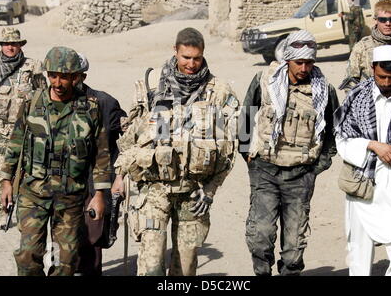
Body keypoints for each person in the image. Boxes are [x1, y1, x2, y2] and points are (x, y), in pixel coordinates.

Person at [113, 27, 239, 276]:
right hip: (154, 191)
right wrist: (120, 177)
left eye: (197, 58)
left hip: (192, 194)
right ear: (175, 51)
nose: (191, 64)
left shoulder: (219, 92)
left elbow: (229, 152)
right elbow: (131, 138)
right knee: (151, 266)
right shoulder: (150, 87)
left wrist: (210, 192)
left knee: (186, 267)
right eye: (186, 57)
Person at [0, 46, 112, 276]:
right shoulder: (32, 103)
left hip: (71, 198)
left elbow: (101, 155)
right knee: (28, 256)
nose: (58, 82)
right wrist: (6, 180)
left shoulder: (90, 109)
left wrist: (100, 195)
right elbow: (15, 143)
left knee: (67, 261)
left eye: (64, 77)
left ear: (75, 77)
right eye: (53, 76)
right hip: (34, 194)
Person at [239, 30, 339, 276]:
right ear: (287, 60)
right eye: (299, 62)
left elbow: (334, 133)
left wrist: (317, 167)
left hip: (301, 174)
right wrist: (249, 157)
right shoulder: (265, 80)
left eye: (309, 62)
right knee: (261, 236)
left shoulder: (324, 90)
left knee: (294, 248)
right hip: (265, 170)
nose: (304, 68)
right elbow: (246, 120)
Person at [334, 45, 391, 276]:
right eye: (382, 77)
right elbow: (341, 140)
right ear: (372, 68)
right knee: (359, 254)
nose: (386, 83)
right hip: (362, 185)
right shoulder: (355, 98)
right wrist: (373, 145)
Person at [0, 27, 46, 230]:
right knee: (2, 171)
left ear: (20, 45)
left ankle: (23, 209)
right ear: (1, 45)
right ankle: (3, 212)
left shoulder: (32, 66)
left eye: (14, 43)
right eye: (6, 44)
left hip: (26, 130)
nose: (10, 47)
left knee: (25, 172)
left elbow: (43, 95)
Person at [74, 53, 127, 276]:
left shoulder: (105, 103)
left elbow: (125, 142)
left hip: (94, 183)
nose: (62, 81)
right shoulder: (49, 102)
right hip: (61, 185)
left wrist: (119, 177)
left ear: (81, 76)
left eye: (70, 75)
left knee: (93, 238)